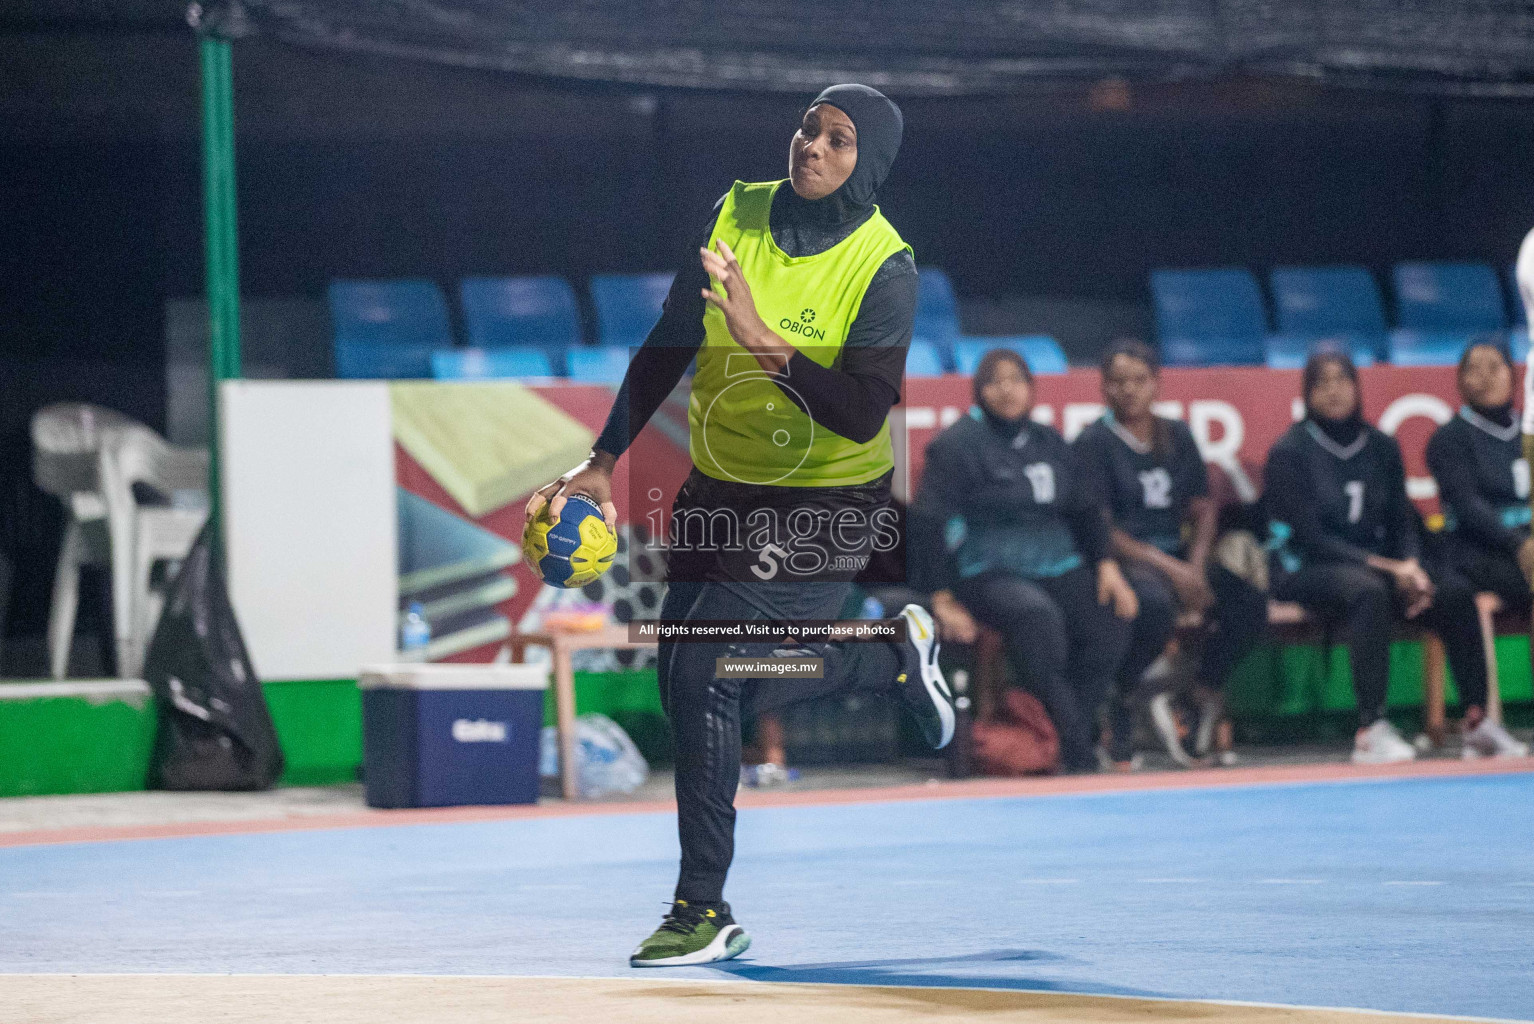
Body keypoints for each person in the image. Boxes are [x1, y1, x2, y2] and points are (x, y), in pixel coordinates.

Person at [525, 85, 955, 968]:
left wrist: (763, 337)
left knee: (706, 677)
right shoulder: (740, 211)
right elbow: (674, 336)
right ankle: (884, 658)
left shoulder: (886, 267)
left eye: (838, 141)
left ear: (867, 161)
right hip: (723, 489)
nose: (813, 147)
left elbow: (862, 413)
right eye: (807, 128)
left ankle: (701, 909)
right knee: (695, 686)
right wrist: (604, 457)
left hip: (829, 503)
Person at [916, 348, 1138, 773]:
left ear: (1032, 389)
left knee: (1113, 617)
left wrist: (1108, 566)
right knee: (1038, 619)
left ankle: (1069, 720)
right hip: (985, 566)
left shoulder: (1048, 440)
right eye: (995, 381)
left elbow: (1087, 509)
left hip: (1055, 560)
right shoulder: (956, 444)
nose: (1007, 389)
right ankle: (1076, 749)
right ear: (979, 390)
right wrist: (941, 596)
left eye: (1016, 379)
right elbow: (927, 522)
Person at [1264, 349, 1485, 764]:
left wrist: (1413, 566)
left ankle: (1478, 721)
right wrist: (1389, 567)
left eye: (1342, 380)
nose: (1333, 391)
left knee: (1453, 591)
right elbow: (1311, 538)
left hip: (1378, 567)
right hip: (1304, 569)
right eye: (1322, 382)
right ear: (1307, 392)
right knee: (1369, 592)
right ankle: (1371, 727)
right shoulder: (1289, 451)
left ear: (1357, 386)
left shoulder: (1381, 445)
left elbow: (1402, 520)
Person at [1075, 340, 1267, 768]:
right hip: (1126, 562)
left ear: (1156, 385)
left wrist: (1196, 566)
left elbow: (1202, 507)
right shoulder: (1092, 442)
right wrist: (1173, 570)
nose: (1129, 390)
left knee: (1247, 598)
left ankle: (1199, 695)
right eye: (1118, 382)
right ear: (1103, 388)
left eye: (1139, 380)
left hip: (1179, 558)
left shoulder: (1177, 434)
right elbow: (1100, 526)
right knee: (1154, 605)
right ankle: (1122, 698)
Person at [1424, 341, 1532, 757]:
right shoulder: (1449, 439)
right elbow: (1467, 507)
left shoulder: (1528, 431)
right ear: (1460, 381)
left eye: (1496, 366)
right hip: (1478, 551)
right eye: (1475, 369)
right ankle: (1479, 720)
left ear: (1514, 373)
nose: (1486, 377)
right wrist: (1519, 542)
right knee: (1455, 592)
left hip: (1525, 552)